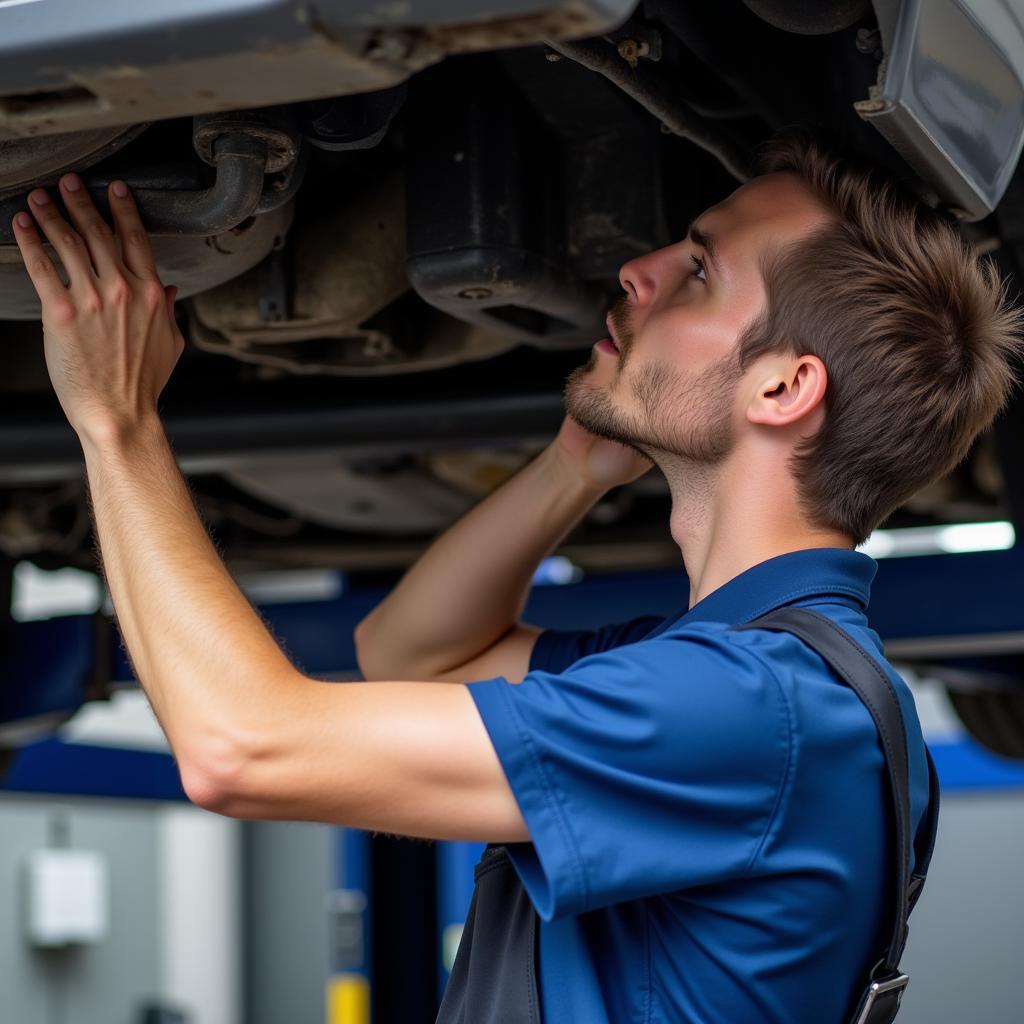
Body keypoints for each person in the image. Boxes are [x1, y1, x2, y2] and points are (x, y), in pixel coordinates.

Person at [10, 132, 1021, 1023]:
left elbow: (240, 747)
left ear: (784, 386)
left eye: (701, 271)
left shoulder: (748, 707)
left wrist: (118, 420)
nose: (638, 269)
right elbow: (409, 653)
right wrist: (570, 468)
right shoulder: (762, 683)